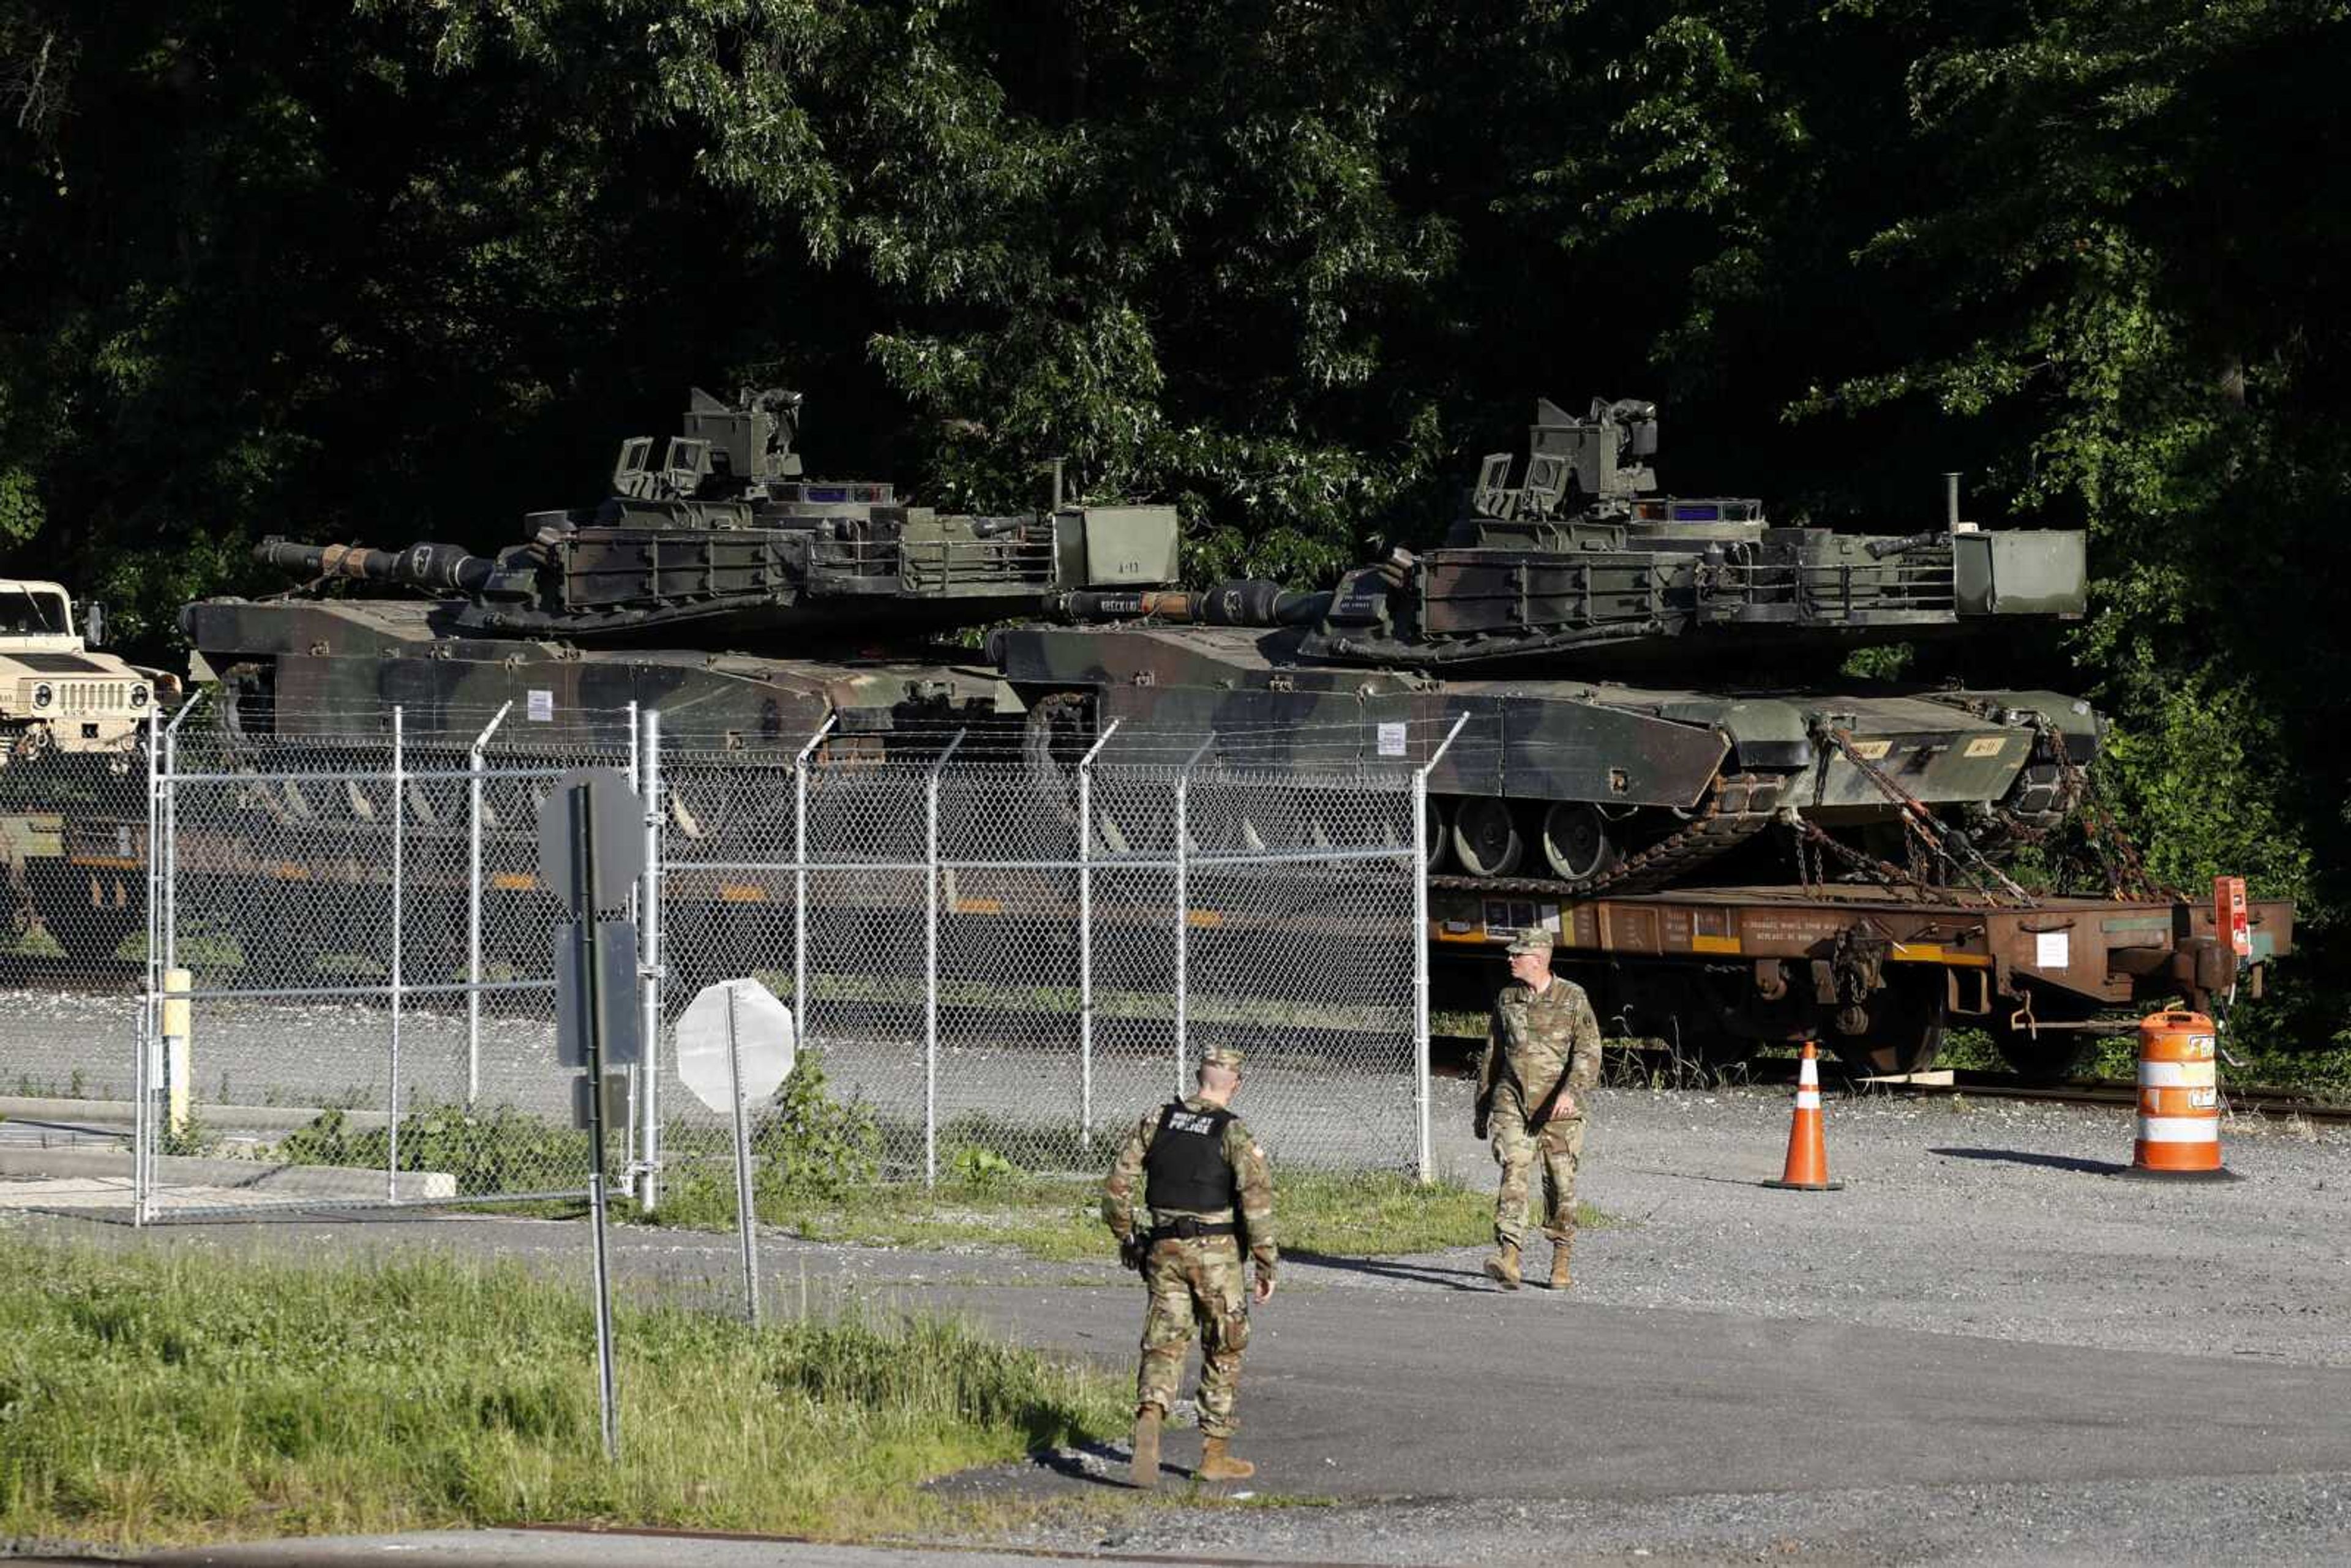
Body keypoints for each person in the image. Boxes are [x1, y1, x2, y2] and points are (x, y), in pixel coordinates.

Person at [1100, 1045, 1277, 1488]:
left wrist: (1129, 1237)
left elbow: (1117, 1186)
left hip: (1163, 1246)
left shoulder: (1159, 1119)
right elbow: (1256, 1203)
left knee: (1164, 1343)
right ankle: (1214, 1453)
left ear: (1198, 1075)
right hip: (1216, 1251)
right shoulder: (1233, 1132)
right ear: (1235, 1084)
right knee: (1224, 1344)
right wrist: (1265, 1265)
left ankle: (1150, 1415)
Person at [1474, 930, 1602, 1291]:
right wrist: (1482, 1108)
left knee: (1560, 1184)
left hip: (1558, 1108)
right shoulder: (1507, 998)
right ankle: (1509, 1256)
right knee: (1514, 1170)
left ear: (1540, 959)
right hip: (1512, 1100)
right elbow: (1493, 1055)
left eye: (1518, 954)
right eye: (1511, 954)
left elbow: (1589, 1053)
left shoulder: (1573, 998)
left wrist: (1572, 1094)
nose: (1510, 960)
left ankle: (1561, 1259)